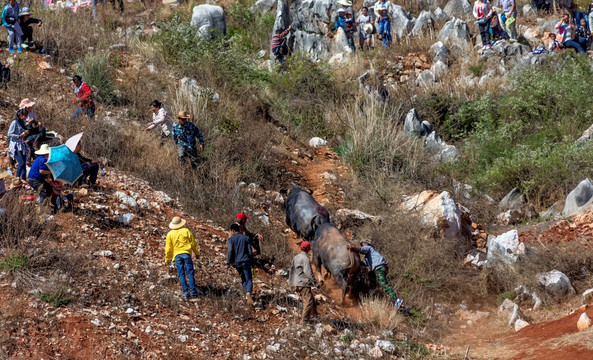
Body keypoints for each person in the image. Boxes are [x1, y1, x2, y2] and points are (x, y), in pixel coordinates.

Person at [346, 239, 404, 311]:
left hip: (380, 267)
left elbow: (361, 250)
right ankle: (372, 291)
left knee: (383, 283)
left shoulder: (369, 248)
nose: (361, 245)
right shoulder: (368, 256)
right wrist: (357, 261)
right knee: (371, 275)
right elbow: (365, 263)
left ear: (367, 244)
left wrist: (353, 247)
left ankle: (396, 300)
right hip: (379, 268)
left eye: (362, 244)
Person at [165, 216, 201, 301]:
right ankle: (193, 292)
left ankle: (185, 293)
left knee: (181, 274)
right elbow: (193, 243)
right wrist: (196, 253)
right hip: (186, 254)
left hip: (177, 255)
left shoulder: (170, 234)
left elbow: (168, 248)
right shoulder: (186, 231)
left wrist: (167, 259)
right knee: (190, 273)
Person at [288, 241, 318, 323]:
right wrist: (315, 283)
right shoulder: (305, 258)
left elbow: (292, 270)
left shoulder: (296, 257)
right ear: (309, 249)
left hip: (296, 282)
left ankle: (315, 315)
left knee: (311, 298)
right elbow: (308, 272)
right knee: (308, 302)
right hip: (303, 283)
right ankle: (304, 321)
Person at [227, 223, 254, 306]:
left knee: (243, 279)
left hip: (237, 263)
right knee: (249, 279)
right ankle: (248, 293)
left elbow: (230, 251)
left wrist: (228, 262)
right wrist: (253, 262)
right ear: (239, 229)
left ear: (232, 230)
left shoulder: (230, 240)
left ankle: (246, 294)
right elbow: (250, 252)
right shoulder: (246, 238)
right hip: (246, 261)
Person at [7, 108, 29, 180]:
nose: (25, 117)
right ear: (20, 115)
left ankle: (23, 180)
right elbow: (9, 134)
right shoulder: (14, 122)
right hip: (15, 144)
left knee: (24, 164)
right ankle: (17, 179)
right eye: (24, 115)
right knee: (21, 163)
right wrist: (18, 136)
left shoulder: (23, 123)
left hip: (21, 144)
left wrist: (25, 133)